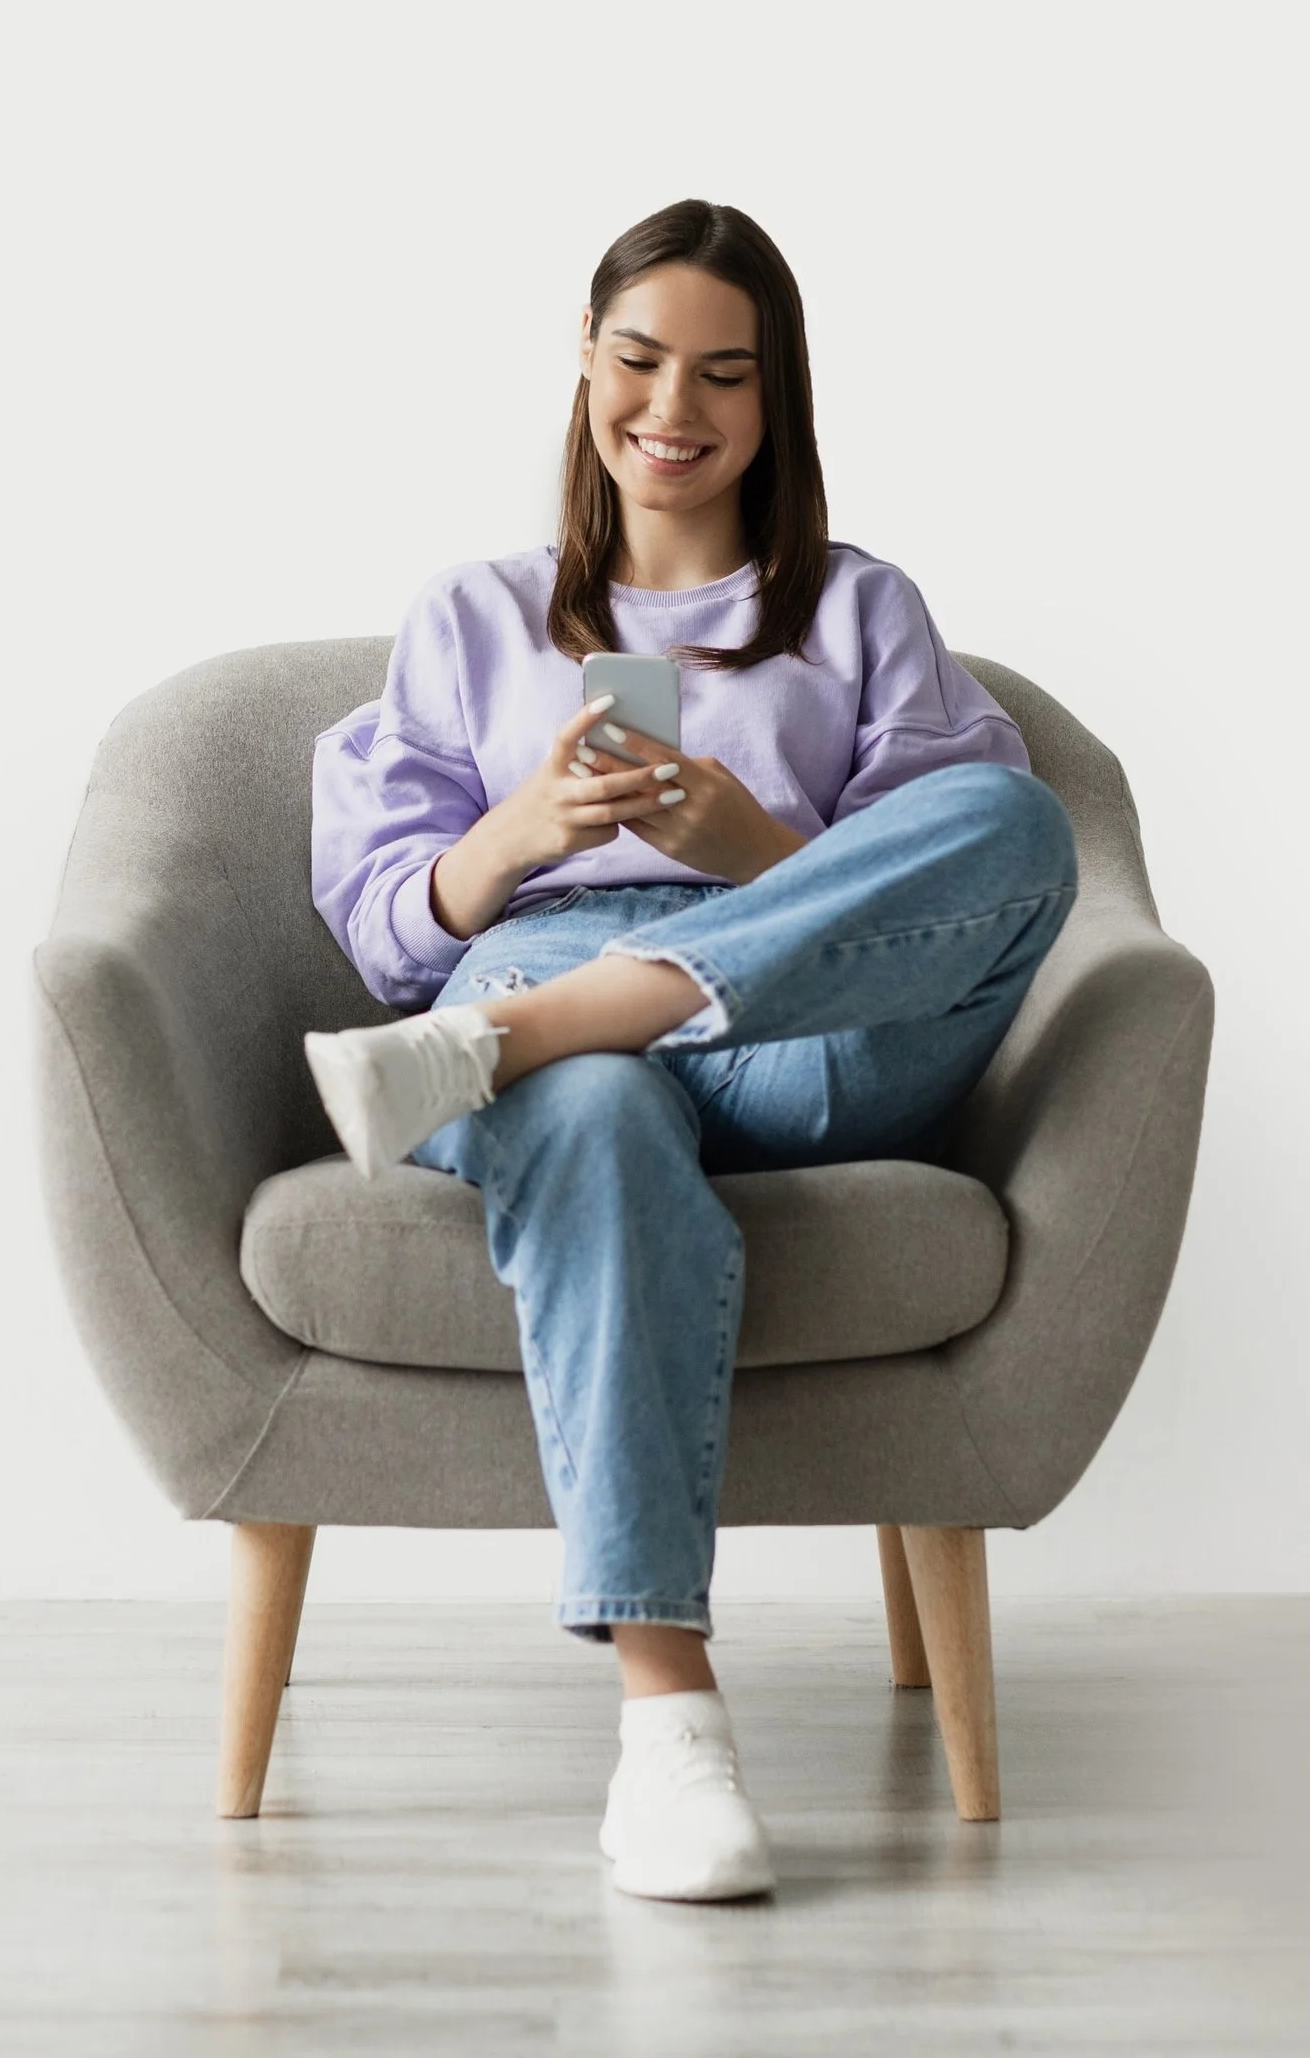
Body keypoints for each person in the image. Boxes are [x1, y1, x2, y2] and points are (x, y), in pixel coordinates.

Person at [303, 198, 1077, 1902]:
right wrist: (517, 832)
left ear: (775, 398)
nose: (676, 408)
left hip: (798, 1032)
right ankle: (669, 1730)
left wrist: (755, 851)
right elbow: (380, 922)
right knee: (584, 1114)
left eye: (725, 375)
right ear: (587, 364)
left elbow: (948, 886)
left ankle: (527, 1035)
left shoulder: (863, 610)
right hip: (542, 1000)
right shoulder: (477, 615)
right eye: (641, 361)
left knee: (1011, 821)